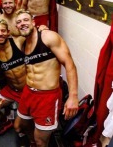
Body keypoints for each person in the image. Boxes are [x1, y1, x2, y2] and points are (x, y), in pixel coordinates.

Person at [14, 9, 79, 147]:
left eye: (26, 20)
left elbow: (69, 64)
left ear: (33, 22)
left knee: (41, 141)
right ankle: (32, 143)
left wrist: (73, 96)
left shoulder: (48, 37)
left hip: (47, 97)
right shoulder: (22, 42)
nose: (22, 24)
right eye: (18, 22)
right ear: (16, 27)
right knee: (19, 126)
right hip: (28, 92)